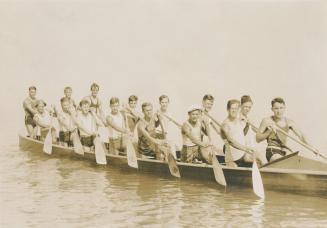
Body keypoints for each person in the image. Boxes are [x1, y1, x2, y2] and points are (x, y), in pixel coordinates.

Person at [256, 97, 309, 162]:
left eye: (281, 108)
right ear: (272, 109)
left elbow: (301, 136)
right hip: (273, 151)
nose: (279, 111)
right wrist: (268, 131)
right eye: (276, 108)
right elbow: (257, 139)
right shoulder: (267, 121)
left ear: (284, 108)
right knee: (283, 161)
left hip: (285, 150)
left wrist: (312, 148)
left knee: (297, 162)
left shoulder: (289, 122)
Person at [221, 100, 265, 167]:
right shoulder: (225, 124)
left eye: (236, 109)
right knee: (256, 158)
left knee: (260, 159)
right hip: (233, 156)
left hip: (242, 153)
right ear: (228, 109)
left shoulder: (239, 121)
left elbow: (242, 134)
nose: (234, 111)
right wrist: (246, 148)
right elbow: (231, 141)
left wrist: (247, 124)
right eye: (232, 108)